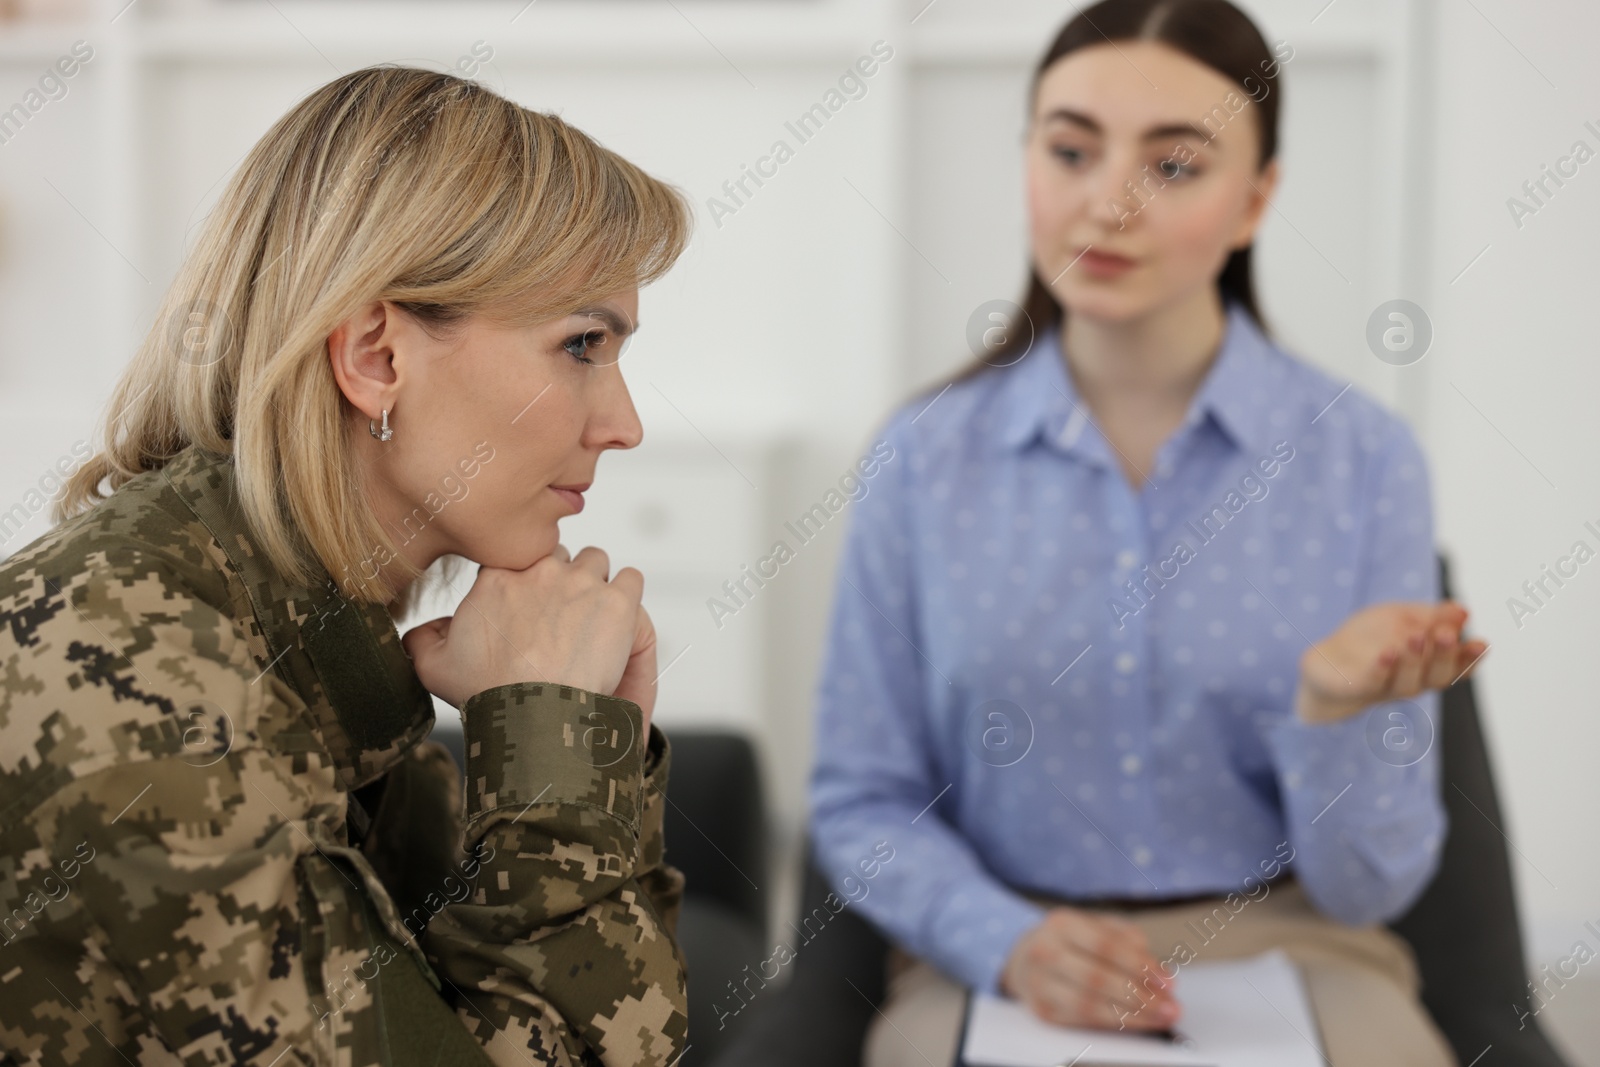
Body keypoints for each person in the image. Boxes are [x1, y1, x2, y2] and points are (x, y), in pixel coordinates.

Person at [808, 2, 1487, 1065]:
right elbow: (861, 800)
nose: (1105, 202)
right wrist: (1012, 941)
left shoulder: (1364, 460)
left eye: (1173, 166)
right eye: (1070, 149)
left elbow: (1375, 885)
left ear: (1256, 199)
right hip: (1007, 948)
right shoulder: (921, 460)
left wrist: (1333, 716)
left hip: (1294, 941)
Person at [0, 67, 691, 1066]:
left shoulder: (316, 629)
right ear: (375, 356)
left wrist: (578, 748)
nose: (622, 424)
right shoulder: (145, 694)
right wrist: (556, 758)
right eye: (581, 343)